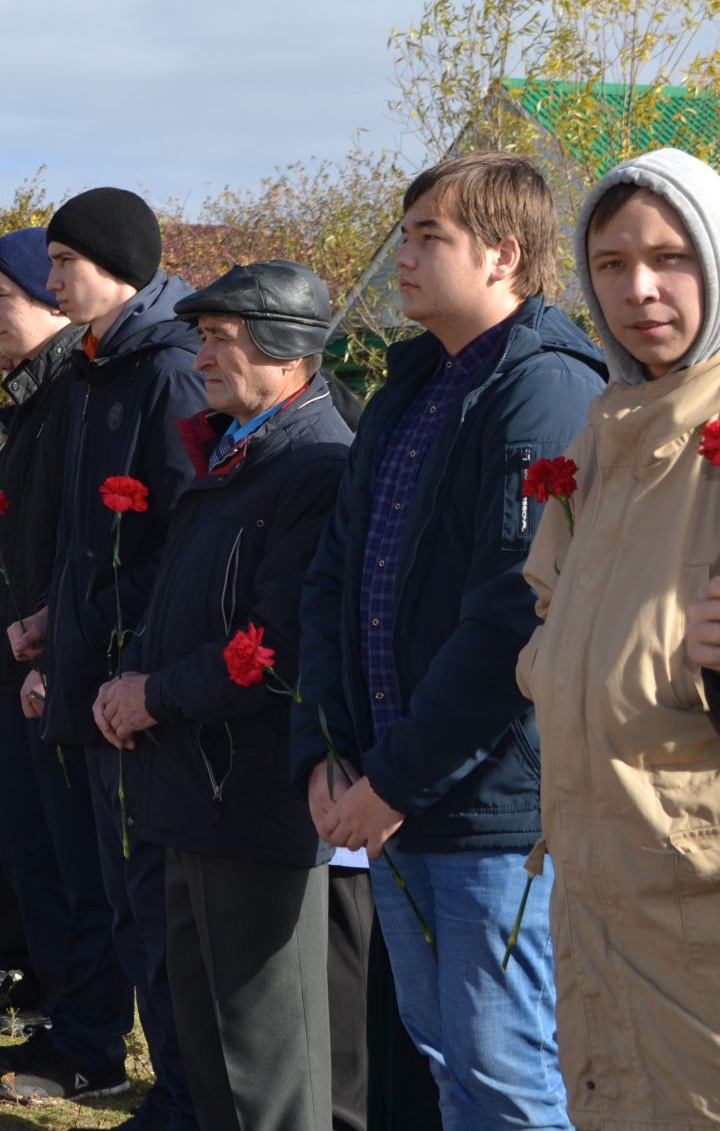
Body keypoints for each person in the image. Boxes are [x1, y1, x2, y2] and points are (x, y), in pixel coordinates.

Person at [297, 152, 603, 1131]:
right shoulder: (413, 384)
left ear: (505, 254)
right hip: (392, 790)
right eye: (408, 231)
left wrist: (390, 779)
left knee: (507, 1072)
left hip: (492, 811)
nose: (406, 253)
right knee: (446, 1059)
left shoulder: (545, 389)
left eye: (433, 236)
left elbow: (516, 614)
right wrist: (328, 750)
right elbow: (335, 579)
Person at [95, 261, 351, 1131]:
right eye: (200, 335)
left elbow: (273, 642)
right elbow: (183, 602)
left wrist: (154, 695)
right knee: (205, 1049)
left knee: (263, 1062)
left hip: (251, 795)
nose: (200, 355)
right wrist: (130, 684)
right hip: (190, 787)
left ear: (285, 354)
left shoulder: (314, 462)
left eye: (220, 338)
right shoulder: (231, 449)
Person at [527, 148, 719, 1131]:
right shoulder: (601, 433)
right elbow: (556, 616)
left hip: (697, 893)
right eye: (609, 261)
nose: (639, 287)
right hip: (601, 886)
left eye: (672, 256)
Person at [8, 188, 205, 1114]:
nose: (50, 282)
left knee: (145, 900)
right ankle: (100, 1046)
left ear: (118, 264)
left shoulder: (165, 370)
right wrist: (55, 621)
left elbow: (171, 536)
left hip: (135, 674)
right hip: (90, 659)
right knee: (112, 889)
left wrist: (109, 643)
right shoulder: (97, 365)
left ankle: (169, 1082)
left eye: (64, 263)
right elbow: (88, 532)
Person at [0, 228, 124, 1056]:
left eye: (2, 297)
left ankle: (77, 1022)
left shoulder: (74, 394)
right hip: (13, 654)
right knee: (23, 842)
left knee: (64, 859)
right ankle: (47, 994)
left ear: (50, 299)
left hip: (48, 658)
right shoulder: (38, 398)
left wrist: (46, 638)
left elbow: (72, 538)